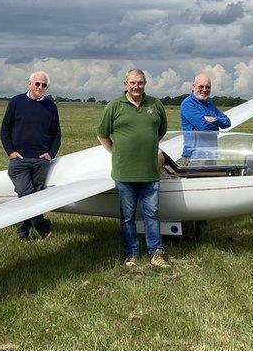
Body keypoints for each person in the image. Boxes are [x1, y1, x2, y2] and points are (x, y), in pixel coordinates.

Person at [97, 69, 169, 267]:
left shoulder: (155, 105)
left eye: (140, 83)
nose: (136, 86)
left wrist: (147, 146)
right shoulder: (114, 106)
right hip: (124, 173)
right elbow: (102, 134)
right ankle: (132, 253)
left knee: (152, 214)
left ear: (145, 83)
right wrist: (117, 152)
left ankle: (156, 253)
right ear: (125, 84)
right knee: (127, 217)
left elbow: (160, 131)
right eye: (132, 83)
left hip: (150, 173)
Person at [0, 70, 61, 241]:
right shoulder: (16, 102)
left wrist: (50, 154)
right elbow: (5, 129)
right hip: (19, 160)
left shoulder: (50, 106)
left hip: (41, 161)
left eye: (44, 85)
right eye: (37, 84)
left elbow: (56, 134)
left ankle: (23, 232)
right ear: (30, 84)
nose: (40, 87)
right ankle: (42, 226)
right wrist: (10, 151)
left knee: (36, 197)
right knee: (25, 193)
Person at [179, 73, 231, 165]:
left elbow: (227, 122)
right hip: (195, 156)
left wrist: (215, 120)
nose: (204, 90)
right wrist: (217, 126)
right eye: (201, 86)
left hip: (211, 154)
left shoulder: (209, 103)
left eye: (208, 87)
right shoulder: (187, 104)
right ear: (194, 86)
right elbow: (203, 127)